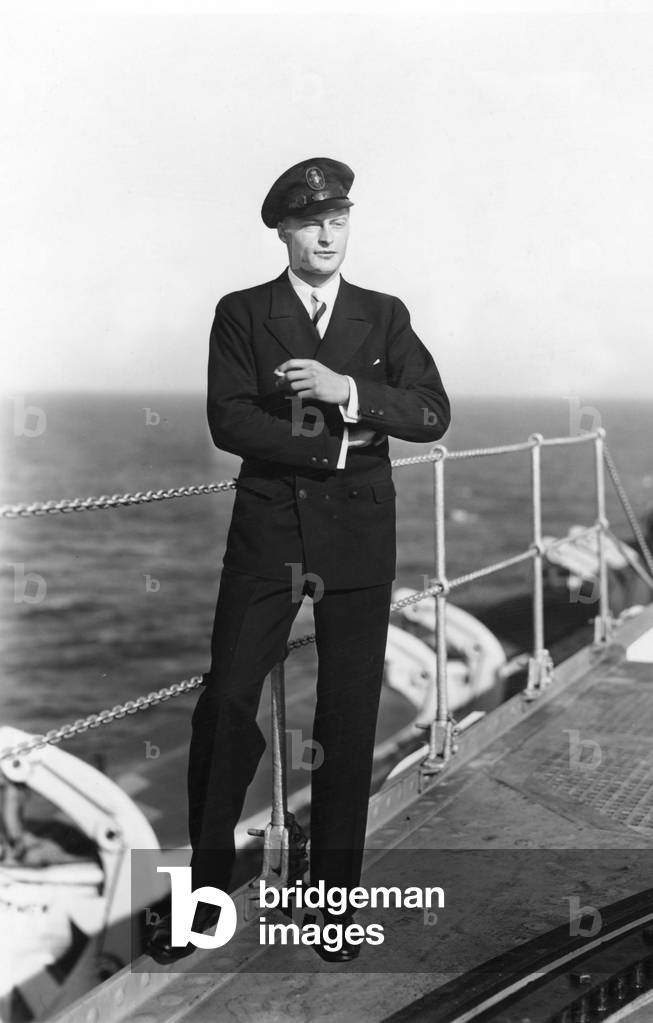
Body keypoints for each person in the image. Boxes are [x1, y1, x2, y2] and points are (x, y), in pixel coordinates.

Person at [145, 156, 450, 965]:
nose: (327, 233)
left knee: (347, 725)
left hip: (357, 540)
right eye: (311, 221)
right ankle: (205, 901)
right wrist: (349, 440)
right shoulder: (242, 313)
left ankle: (332, 904)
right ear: (283, 231)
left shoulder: (383, 316)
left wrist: (344, 387)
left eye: (339, 218)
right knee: (225, 706)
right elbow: (229, 421)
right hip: (269, 534)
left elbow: (429, 410)